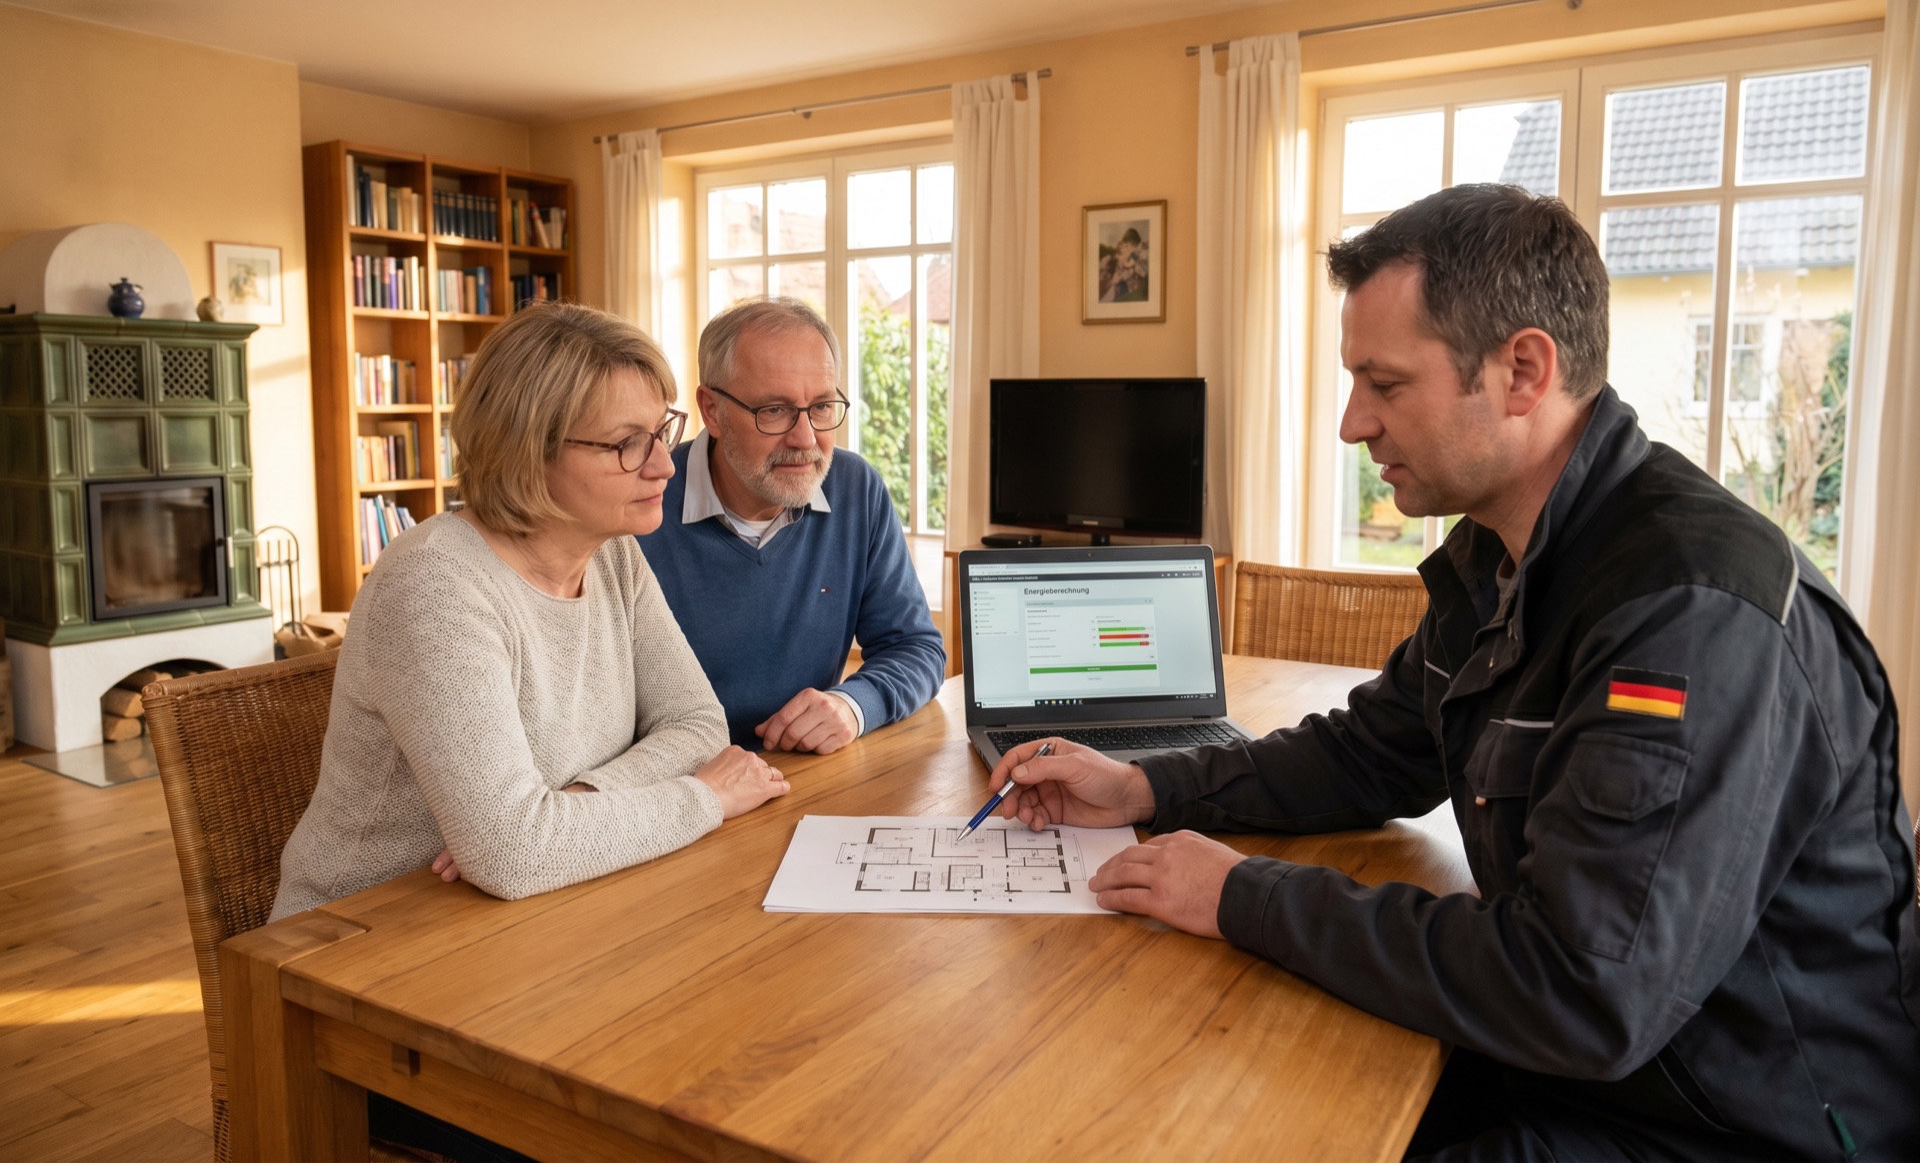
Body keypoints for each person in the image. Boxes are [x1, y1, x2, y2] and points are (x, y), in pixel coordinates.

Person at [988, 185, 1920, 1160]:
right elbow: (1373, 752)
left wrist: (1242, 894)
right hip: (1604, 1071)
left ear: (1523, 369)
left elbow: (1579, 990)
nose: (1352, 424)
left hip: (1732, 1122)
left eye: (1384, 384)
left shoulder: (1687, 613)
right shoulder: (1502, 556)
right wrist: (1145, 782)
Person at [273, 302, 790, 922]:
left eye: (661, 432)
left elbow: (697, 724)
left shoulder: (613, 555)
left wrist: (573, 805)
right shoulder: (434, 584)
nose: (663, 464)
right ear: (526, 450)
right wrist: (704, 797)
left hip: (543, 907)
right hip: (374, 933)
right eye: (628, 443)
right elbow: (516, 854)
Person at [638, 297, 945, 753]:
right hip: (678, 791)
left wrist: (853, 706)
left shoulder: (855, 489)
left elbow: (917, 647)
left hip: (803, 777)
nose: (805, 440)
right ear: (713, 410)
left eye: (822, 407)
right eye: (775, 411)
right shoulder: (641, 505)